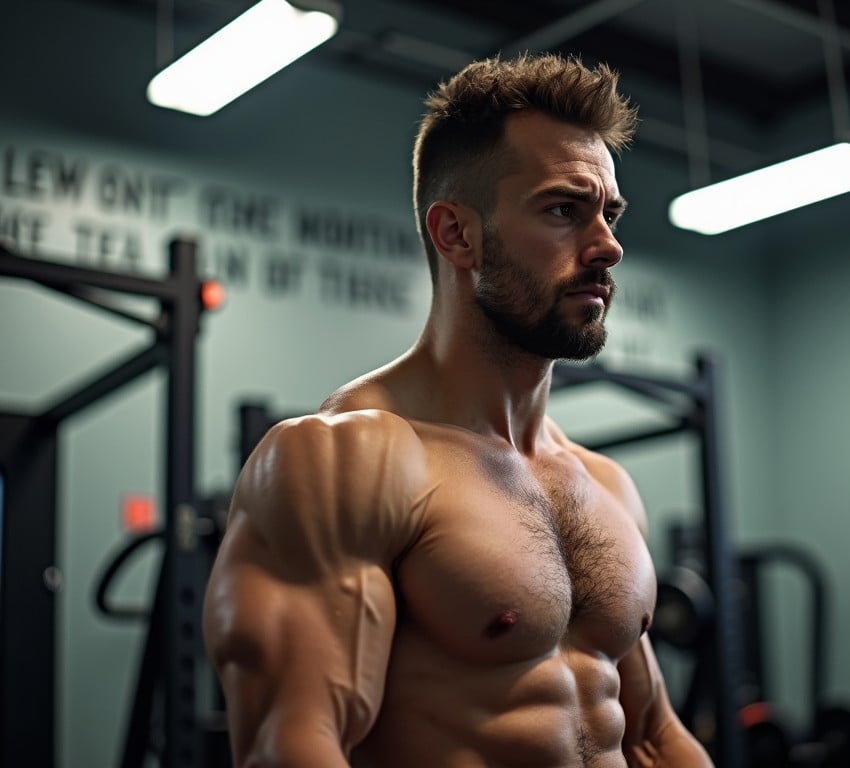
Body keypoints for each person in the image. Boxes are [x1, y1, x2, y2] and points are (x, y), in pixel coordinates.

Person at [202, 52, 714, 768]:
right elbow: (291, 744)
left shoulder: (606, 488)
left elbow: (653, 737)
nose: (608, 246)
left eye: (609, 213)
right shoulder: (346, 461)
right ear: (457, 236)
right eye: (564, 210)